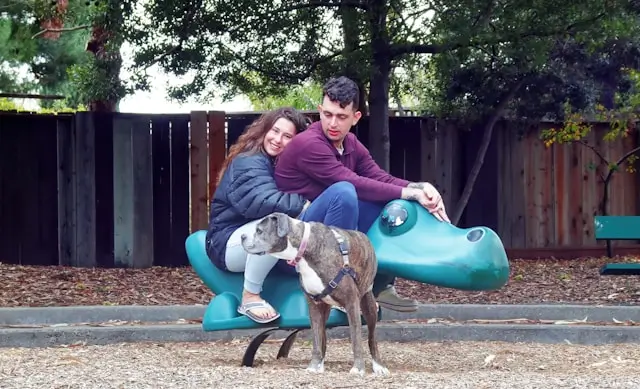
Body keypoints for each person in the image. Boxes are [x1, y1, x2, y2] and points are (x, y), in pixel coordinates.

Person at [274, 76, 451, 313]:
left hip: (321, 231)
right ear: (319, 111)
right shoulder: (309, 144)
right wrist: (411, 192)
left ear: (356, 117)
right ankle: (335, 288)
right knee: (345, 192)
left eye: (341, 116)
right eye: (327, 114)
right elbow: (351, 182)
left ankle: (380, 284)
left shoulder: (351, 144)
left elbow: (380, 178)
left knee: (391, 204)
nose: (333, 123)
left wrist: (418, 187)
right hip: (293, 244)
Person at [205, 107, 310, 324]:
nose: (278, 139)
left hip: (251, 238)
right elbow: (261, 202)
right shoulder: (249, 161)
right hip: (227, 241)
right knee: (276, 226)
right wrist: (306, 203)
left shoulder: (279, 164)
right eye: (275, 131)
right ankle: (250, 297)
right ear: (264, 130)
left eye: (287, 136)